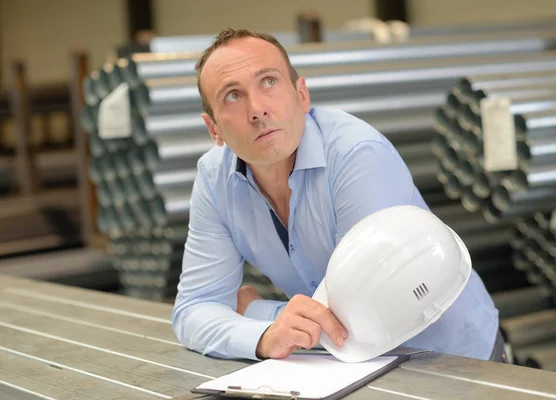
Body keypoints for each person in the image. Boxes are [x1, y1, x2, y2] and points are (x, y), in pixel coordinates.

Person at [171, 28, 506, 363]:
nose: (256, 109)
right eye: (233, 95)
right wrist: (263, 337)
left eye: (269, 82)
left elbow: (370, 317)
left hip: (454, 357)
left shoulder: (356, 155)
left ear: (302, 94)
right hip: (351, 367)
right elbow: (193, 309)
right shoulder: (214, 179)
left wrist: (256, 312)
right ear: (213, 128)